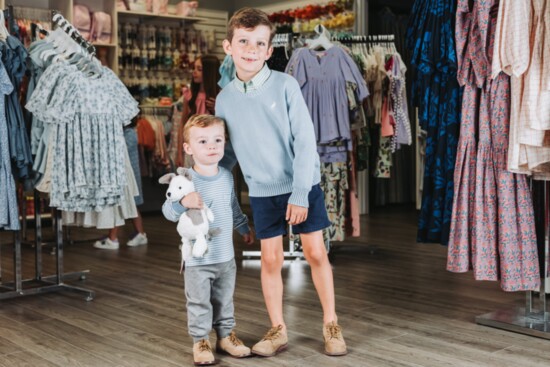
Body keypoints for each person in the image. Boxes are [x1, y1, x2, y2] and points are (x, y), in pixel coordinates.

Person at [216, 7, 347, 357]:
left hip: (301, 186)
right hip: (261, 191)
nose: (251, 49)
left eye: (259, 43)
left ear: (269, 50)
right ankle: (278, 329)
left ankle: (331, 323)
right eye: (243, 41)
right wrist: (200, 173)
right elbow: (226, 154)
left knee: (316, 252)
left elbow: (305, 142)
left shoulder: (286, 85)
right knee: (270, 260)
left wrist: (301, 193)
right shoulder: (224, 99)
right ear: (228, 46)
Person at [162, 114, 254, 365]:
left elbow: (232, 206)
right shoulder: (185, 182)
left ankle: (225, 337)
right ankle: (200, 340)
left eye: (217, 140)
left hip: (225, 256)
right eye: (203, 141)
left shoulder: (226, 176)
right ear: (188, 148)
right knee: (199, 301)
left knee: (225, 299)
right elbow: (168, 212)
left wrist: (243, 227)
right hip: (197, 260)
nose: (212, 146)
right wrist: (183, 203)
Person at [94, 122, 148, 250]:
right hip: (129, 176)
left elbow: (118, 152)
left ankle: (112, 238)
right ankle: (140, 234)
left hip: (127, 176)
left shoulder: (127, 135)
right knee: (131, 205)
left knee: (119, 204)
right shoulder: (129, 133)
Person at [175, 55, 221, 168]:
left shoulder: (220, 96)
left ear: (209, 72)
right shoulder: (189, 95)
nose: (194, 72)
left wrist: (217, 109)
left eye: (199, 69)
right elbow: (182, 125)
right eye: (194, 68)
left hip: (212, 152)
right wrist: (179, 153)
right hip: (191, 151)